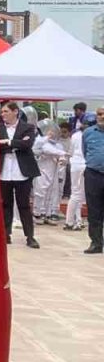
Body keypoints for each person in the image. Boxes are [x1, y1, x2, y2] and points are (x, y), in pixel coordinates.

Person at [0, 101, 40, 248]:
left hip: (22, 171)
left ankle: (30, 236)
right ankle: (5, 234)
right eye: (2, 112)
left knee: (24, 205)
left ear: (15, 111)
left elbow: (27, 145)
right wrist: (16, 144)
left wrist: (8, 142)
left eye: (6, 111)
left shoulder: (27, 127)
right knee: (5, 204)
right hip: (4, 171)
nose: (3, 114)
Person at [32, 123, 68, 224]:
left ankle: (48, 213)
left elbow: (60, 156)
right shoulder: (41, 142)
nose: (52, 133)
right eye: (49, 131)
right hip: (42, 170)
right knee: (40, 192)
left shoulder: (58, 145)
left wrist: (62, 159)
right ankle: (37, 213)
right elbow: (47, 150)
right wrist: (62, 154)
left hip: (54, 171)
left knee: (52, 193)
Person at [82, 108, 104, 254]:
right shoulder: (88, 133)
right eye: (100, 114)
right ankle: (96, 243)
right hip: (93, 175)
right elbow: (85, 152)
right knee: (94, 210)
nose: (102, 117)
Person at [66, 121, 88, 233]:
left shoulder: (75, 135)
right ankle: (75, 221)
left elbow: (70, 151)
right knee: (79, 194)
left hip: (75, 164)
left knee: (75, 193)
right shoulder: (90, 134)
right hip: (84, 164)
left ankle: (72, 221)